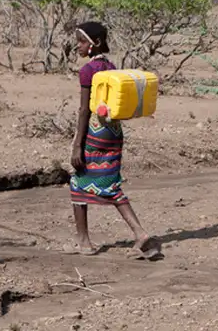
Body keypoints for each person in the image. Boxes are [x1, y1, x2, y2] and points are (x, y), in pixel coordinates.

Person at [65, 21, 160, 259]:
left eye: (82, 41)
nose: (78, 46)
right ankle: (139, 233)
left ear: (95, 43)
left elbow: (84, 110)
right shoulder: (111, 67)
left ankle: (85, 242)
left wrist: (77, 144)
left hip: (95, 132)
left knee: (78, 181)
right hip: (114, 133)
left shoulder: (88, 71)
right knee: (109, 182)